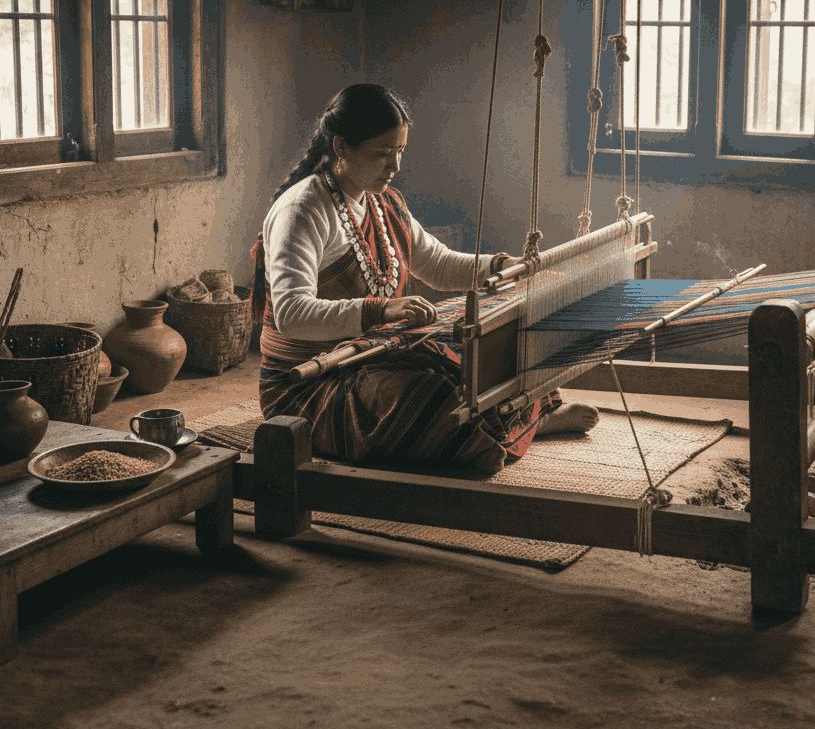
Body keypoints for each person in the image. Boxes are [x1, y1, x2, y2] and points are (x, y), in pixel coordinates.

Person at [251, 83, 599, 475]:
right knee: (432, 399)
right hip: (314, 380)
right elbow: (291, 313)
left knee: (498, 345)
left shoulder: (384, 202)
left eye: (399, 151)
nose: (395, 166)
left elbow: (439, 263)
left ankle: (531, 419)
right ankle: (514, 426)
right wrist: (382, 309)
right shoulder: (302, 210)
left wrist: (502, 267)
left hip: (376, 354)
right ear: (342, 148)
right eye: (382, 154)